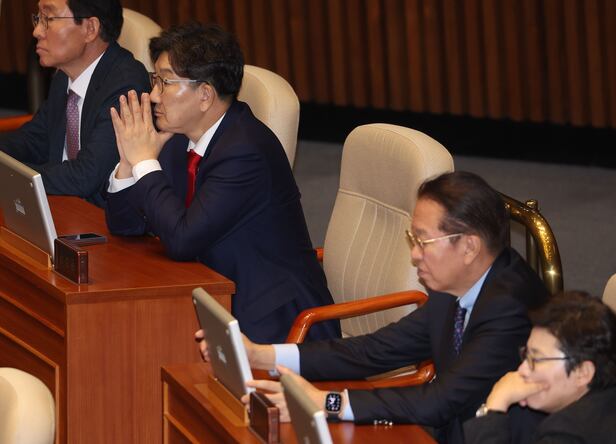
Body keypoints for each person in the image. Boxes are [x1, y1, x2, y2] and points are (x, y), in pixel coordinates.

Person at [198, 171, 549, 444]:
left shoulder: (509, 308)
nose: (414, 256)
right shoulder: (456, 281)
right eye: (412, 239)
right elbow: (376, 350)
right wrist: (262, 355)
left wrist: (327, 403)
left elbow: (440, 401)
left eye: (423, 241)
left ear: (469, 247)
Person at [105, 22, 340, 343]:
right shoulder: (179, 137)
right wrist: (128, 163)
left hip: (274, 320)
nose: (154, 95)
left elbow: (182, 239)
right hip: (211, 292)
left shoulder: (245, 152)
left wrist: (145, 162)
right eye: (154, 79)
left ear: (205, 95)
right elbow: (126, 226)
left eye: (165, 82)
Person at [0, 0, 150, 207]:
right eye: (38, 18)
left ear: (90, 29)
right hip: (63, 203)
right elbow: (34, 140)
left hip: (101, 216)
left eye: (48, 19)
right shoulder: (65, 76)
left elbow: (85, 176)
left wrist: (13, 177)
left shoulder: (126, 85)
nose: (37, 31)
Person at [464, 291, 616, 444]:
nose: (522, 370)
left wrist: (495, 406)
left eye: (536, 359)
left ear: (582, 373)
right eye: (526, 355)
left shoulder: (567, 433)